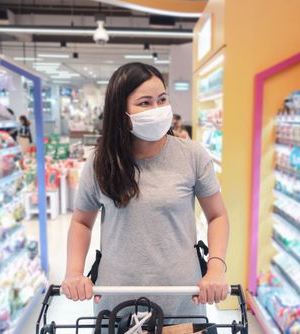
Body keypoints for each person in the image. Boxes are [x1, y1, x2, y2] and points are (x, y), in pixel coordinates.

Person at [62, 62, 230, 322]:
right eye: (145, 103)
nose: (157, 109)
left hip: (182, 299)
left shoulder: (193, 155)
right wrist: (74, 272)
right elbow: (82, 222)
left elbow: (217, 215)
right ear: (121, 111)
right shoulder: (100, 162)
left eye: (162, 99)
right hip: (117, 300)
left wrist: (216, 267)